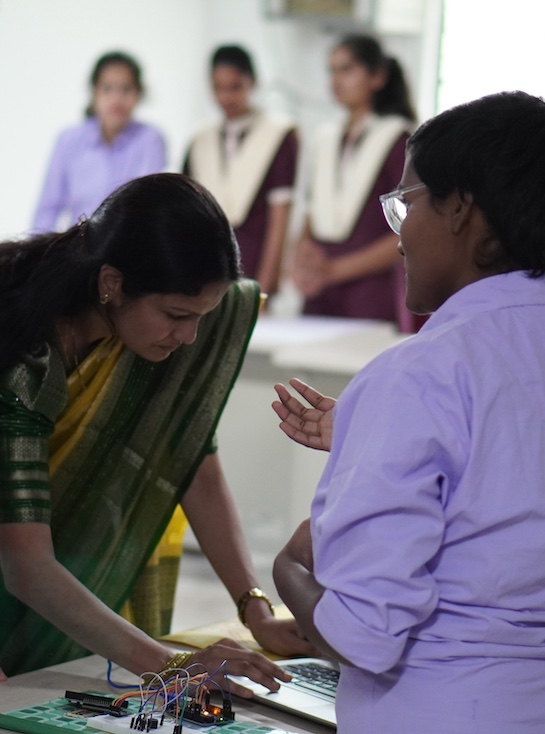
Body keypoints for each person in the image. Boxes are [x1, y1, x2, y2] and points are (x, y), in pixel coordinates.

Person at [272, 91, 545, 733]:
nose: (397, 237)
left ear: (461, 210)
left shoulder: (417, 374)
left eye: (406, 203)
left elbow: (363, 637)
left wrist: (288, 572)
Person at [0, 173, 313, 685]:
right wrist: (174, 666)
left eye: (200, 318)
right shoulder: (26, 360)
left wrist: (255, 608)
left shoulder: (144, 337)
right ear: (111, 283)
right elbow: (28, 565)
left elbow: (194, 464)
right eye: (176, 315)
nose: (188, 337)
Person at [293, 34, 423, 332]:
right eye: (332, 71)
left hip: (368, 292)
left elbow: (408, 227)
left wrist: (334, 271)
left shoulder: (399, 139)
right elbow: (312, 214)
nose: (336, 80)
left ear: (377, 76)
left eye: (347, 70)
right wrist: (303, 262)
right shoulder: (325, 137)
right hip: (320, 293)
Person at [184, 44, 298, 298]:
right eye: (218, 88)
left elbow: (279, 216)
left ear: (252, 83)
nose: (226, 97)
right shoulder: (199, 140)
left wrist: (264, 288)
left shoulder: (278, 135)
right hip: (207, 269)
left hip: (254, 264)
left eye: (235, 87)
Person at [33, 51, 165, 232]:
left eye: (126, 89)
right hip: (76, 251)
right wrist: (39, 257)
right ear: (94, 92)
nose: (116, 99)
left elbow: (146, 207)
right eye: (108, 89)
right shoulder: (69, 140)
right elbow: (47, 211)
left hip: (127, 250)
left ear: (138, 94)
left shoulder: (149, 140)